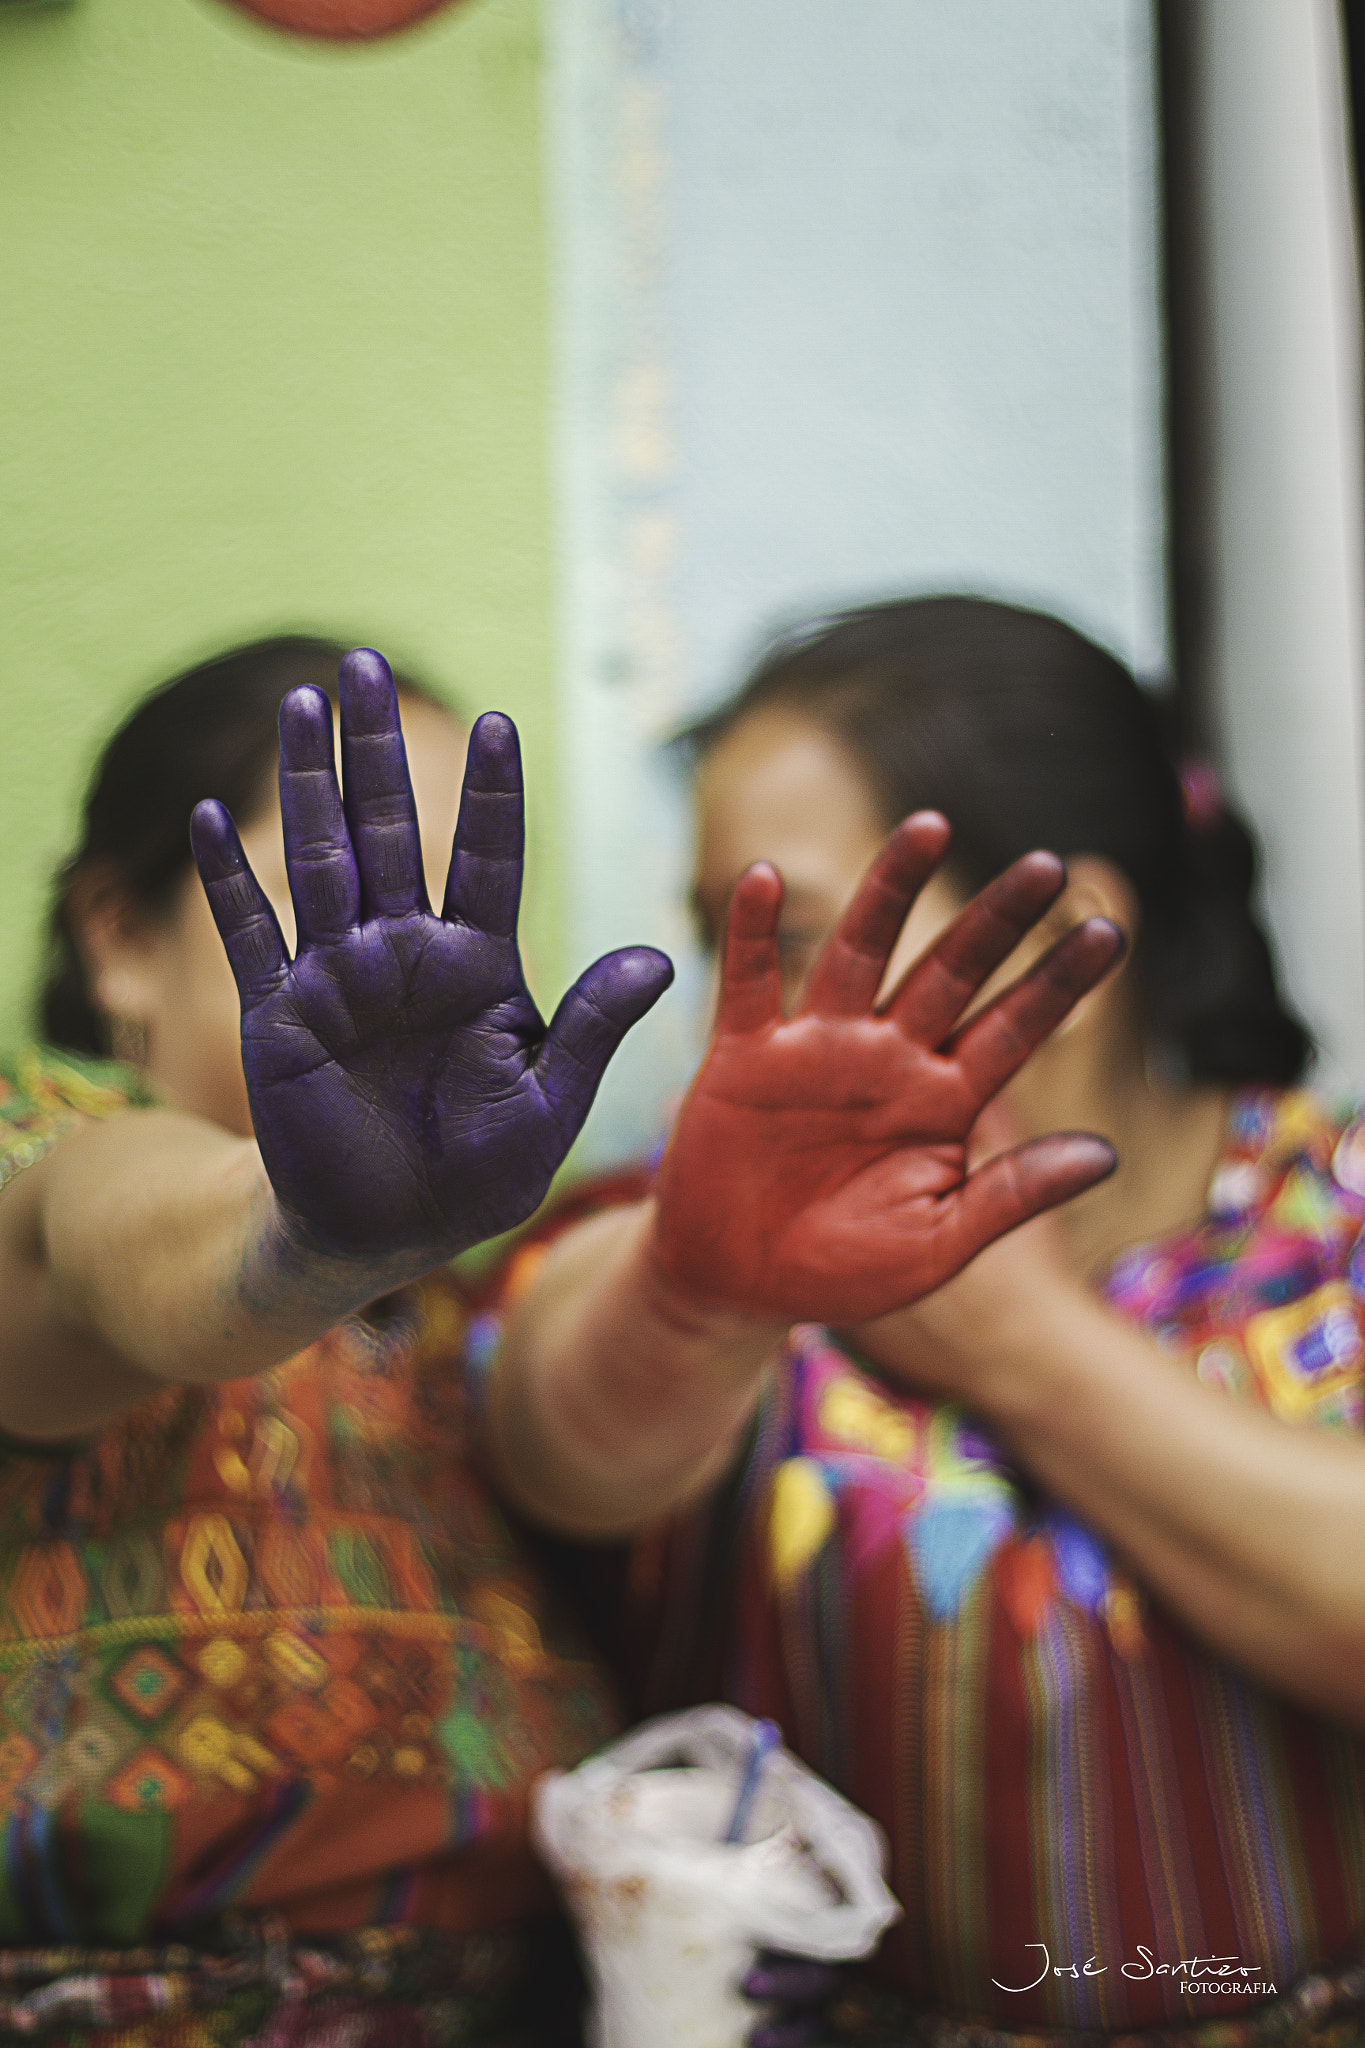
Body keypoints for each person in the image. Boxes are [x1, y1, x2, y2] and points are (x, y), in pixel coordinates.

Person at [0, 629, 1116, 2045]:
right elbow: (103, 1242)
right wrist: (304, 1239)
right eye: (338, 900)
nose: (414, 957)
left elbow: (589, 1434)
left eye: (456, 911)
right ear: (118, 936)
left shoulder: (462, 1297)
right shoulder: (49, 1156)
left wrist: (707, 1292)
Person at [484, 598, 1365, 2044]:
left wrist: (1021, 1347)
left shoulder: (1323, 1217)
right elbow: (555, 1442)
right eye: (724, 943)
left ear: (1066, 934)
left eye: (796, 936)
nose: (737, 1017)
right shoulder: (717, 1249)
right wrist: (707, 1280)